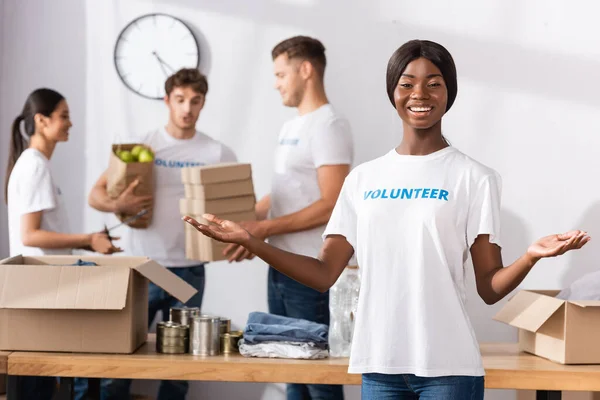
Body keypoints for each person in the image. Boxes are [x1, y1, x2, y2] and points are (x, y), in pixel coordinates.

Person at [183, 40, 591, 400]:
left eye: (434, 83)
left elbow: (489, 288)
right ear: (392, 92)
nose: (420, 94)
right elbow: (325, 273)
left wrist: (531, 256)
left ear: (449, 93)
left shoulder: (475, 177)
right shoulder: (363, 179)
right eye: (407, 83)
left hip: (449, 370)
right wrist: (254, 242)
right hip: (379, 367)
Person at [85, 68, 237, 400]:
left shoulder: (217, 153)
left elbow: (235, 209)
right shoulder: (143, 146)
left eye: (195, 101)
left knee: (179, 366)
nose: (187, 109)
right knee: (120, 358)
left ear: (203, 104)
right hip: (144, 268)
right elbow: (94, 194)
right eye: (180, 100)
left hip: (190, 270)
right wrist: (117, 203)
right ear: (167, 101)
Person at [225, 35, 353, 400]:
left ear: (306, 69)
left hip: (309, 269)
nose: (275, 82)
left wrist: (260, 230)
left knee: (317, 378)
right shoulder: (290, 127)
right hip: (279, 266)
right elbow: (282, 196)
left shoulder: (329, 125)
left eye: (281, 74)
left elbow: (332, 202)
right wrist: (239, 223)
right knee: (289, 369)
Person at [5, 88, 120, 400]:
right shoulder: (35, 165)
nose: (70, 123)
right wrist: (87, 239)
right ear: (42, 121)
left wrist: (89, 244)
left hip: (43, 289)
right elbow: (31, 235)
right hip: (41, 291)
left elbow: (41, 234)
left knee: (42, 385)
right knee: (38, 386)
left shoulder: (36, 164)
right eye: (64, 116)